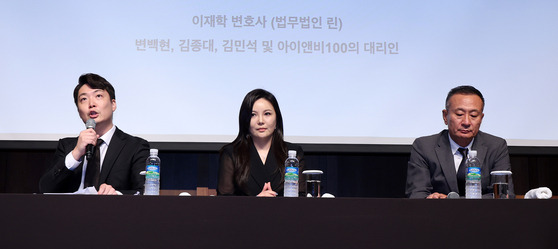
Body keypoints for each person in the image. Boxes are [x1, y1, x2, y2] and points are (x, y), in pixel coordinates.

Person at [40, 73, 150, 195]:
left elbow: (144, 192)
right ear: (78, 111)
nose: (91, 104)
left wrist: (116, 194)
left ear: (113, 104)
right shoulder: (67, 146)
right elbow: (45, 189)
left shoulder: (135, 147)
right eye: (84, 99)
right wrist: (76, 153)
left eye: (98, 96)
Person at [406, 85, 514, 199]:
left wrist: (450, 201)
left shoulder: (496, 146)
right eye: (459, 114)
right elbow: (416, 194)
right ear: (445, 116)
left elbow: (505, 194)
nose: (466, 122)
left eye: (473, 115)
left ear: (481, 118)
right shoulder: (424, 147)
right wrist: (432, 199)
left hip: (482, 215)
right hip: (438, 215)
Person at [218, 89, 305, 196]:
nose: (260, 121)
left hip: (285, 212)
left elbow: (301, 198)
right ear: (245, 120)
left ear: (277, 119)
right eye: (253, 115)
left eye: (267, 114)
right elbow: (224, 203)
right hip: (245, 213)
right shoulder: (231, 153)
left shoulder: (293, 153)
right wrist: (256, 202)